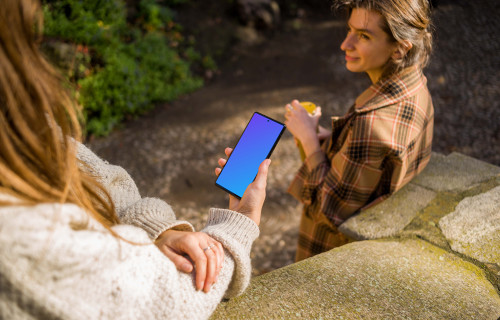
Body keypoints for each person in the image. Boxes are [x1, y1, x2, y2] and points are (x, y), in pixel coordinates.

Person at [0, 0, 270, 319]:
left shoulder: (21, 124)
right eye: (29, 28)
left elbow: (95, 175)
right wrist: (241, 222)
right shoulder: (15, 234)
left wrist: (158, 230)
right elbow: (173, 295)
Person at [284, 0, 434, 261]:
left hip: (332, 259)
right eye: (349, 30)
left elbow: (329, 210)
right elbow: (381, 164)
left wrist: (308, 140)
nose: (346, 44)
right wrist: (334, 139)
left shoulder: (371, 123)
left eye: (363, 36)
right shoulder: (417, 87)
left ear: (399, 49)